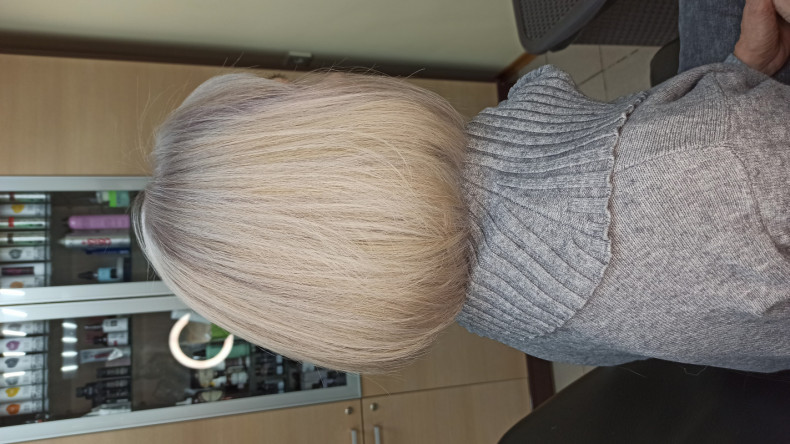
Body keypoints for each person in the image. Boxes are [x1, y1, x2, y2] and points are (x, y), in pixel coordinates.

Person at [134, 0, 790, 374]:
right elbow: (709, 174)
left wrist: (742, 69)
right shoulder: (707, 173)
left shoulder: (483, 296)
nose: (322, 82)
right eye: (291, 98)